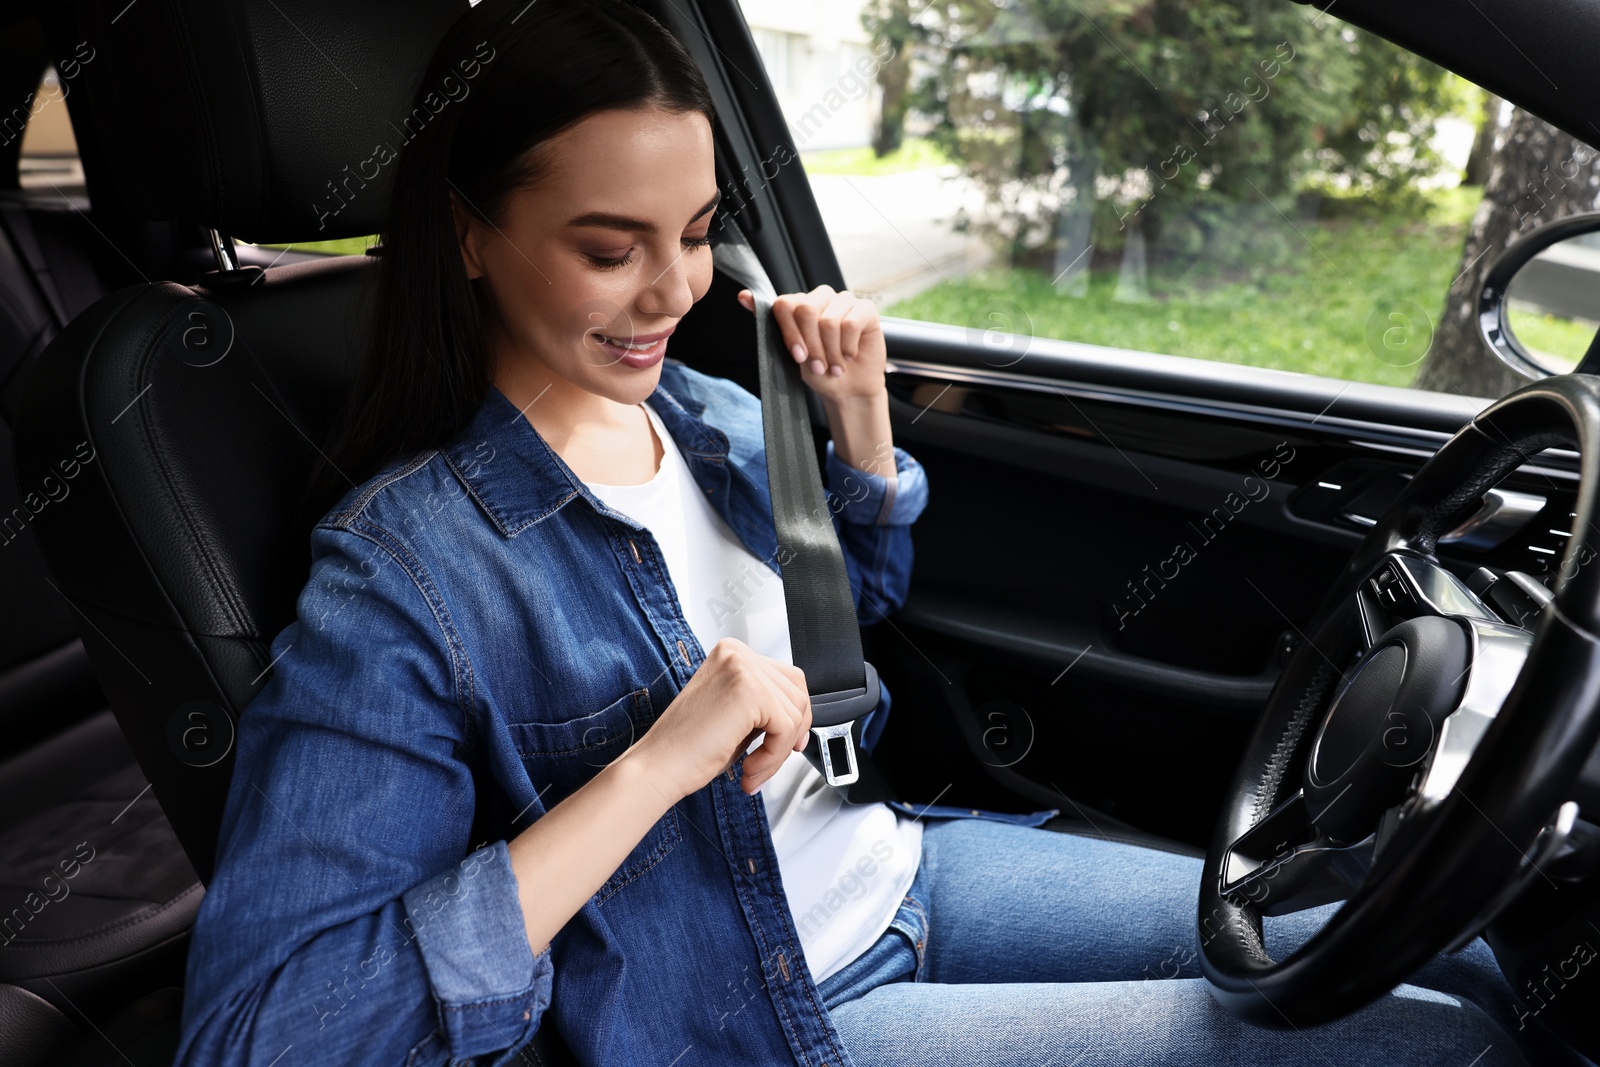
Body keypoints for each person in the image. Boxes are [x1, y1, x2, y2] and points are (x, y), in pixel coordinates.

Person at [173, 1, 1572, 1064]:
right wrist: (659, 763)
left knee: (1457, 952)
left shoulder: (716, 414)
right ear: (471, 236)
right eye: (610, 249)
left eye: (700, 230)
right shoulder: (406, 573)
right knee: (1430, 1040)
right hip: (754, 1005)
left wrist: (859, 444)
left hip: (909, 867)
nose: (673, 290)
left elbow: (845, 635)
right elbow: (273, 1028)